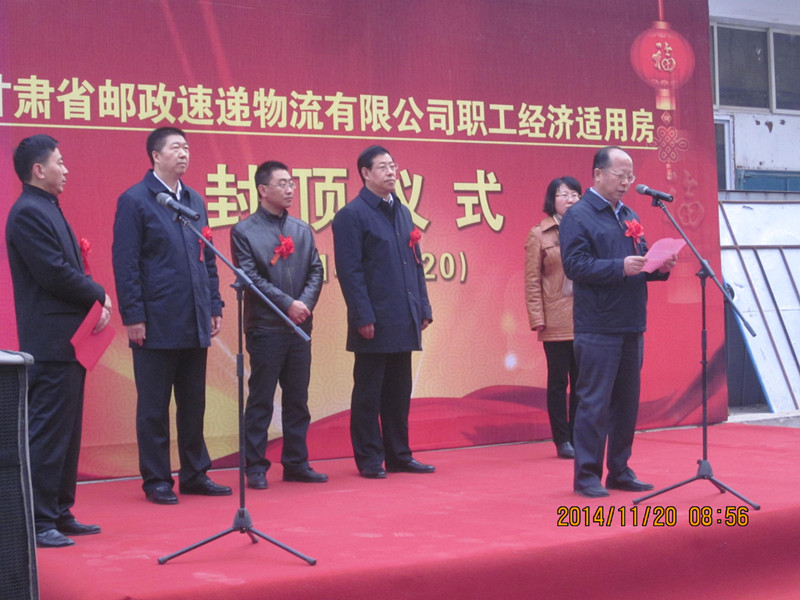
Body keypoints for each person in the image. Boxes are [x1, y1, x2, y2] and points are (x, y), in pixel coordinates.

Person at [112, 127, 230, 505]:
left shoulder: (193, 199)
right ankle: (157, 480)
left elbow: (207, 256)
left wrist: (214, 305)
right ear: (155, 155)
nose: (184, 153)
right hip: (155, 320)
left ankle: (195, 473)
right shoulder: (135, 200)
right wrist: (134, 315)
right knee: (154, 406)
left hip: (194, 317)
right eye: (175, 147)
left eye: (186, 147)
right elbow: (126, 263)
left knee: (194, 403)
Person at [6, 134, 113, 547]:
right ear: (39, 169)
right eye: (59, 162)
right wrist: (98, 293)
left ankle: (60, 510)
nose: (66, 170)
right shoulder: (28, 213)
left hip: (69, 341)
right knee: (49, 432)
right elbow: (53, 273)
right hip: (50, 341)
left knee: (66, 432)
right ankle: (36, 519)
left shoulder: (47, 207)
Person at [559, 146, 677, 498]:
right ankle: (586, 475)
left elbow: (638, 262)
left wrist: (658, 266)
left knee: (626, 404)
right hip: (597, 325)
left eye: (630, 176)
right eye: (620, 175)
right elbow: (575, 266)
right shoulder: (579, 215)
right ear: (598, 174)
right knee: (594, 403)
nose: (626, 182)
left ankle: (620, 470)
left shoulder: (628, 213)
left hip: (630, 322)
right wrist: (619, 267)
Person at [332, 145, 434, 479]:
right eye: (383, 167)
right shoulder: (351, 215)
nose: (391, 172)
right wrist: (362, 316)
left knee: (398, 392)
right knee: (369, 393)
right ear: (365, 173)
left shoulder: (402, 211)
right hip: (373, 319)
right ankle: (369, 458)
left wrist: (423, 306)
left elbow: (416, 263)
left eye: (393, 166)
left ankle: (399, 455)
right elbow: (350, 272)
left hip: (403, 315)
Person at [230, 161, 327, 489]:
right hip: (266, 328)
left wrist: (304, 305)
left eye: (291, 183)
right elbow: (250, 278)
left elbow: (316, 270)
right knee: (261, 399)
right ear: (262, 189)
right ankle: (255, 467)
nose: (289, 189)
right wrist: (287, 304)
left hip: (299, 327)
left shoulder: (301, 229)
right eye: (282, 183)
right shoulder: (244, 231)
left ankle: (296, 462)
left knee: (297, 399)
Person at [525, 176, 582, 459]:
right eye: (563, 195)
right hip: (556, 318)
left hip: (586, 318)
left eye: (575, 195)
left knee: (583, 382)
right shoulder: (540, 234)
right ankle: (562, 439)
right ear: (552, 200)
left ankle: (580, 435)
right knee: (559, 382)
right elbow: (532, 280)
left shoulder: (588, 228)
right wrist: (537, 317)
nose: (570, 200)